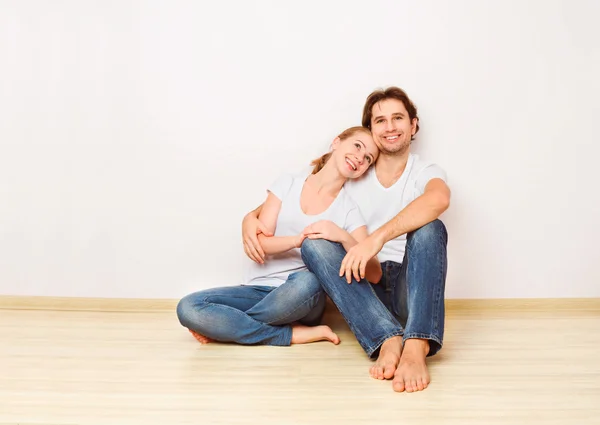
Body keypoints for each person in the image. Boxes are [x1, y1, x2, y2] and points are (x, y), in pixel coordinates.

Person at [242, 87, 450, 392]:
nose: (390, 127)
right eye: (380, 120)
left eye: (398, 118)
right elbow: (293, 193)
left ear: (413, 125)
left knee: (432, 227)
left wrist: (375, 240)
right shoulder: (354, 167)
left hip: (410, 282)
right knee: (314, 243)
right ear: (371, 129)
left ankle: (416, 346)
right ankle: (388, 339)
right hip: (361, 286)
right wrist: (249, 217)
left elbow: (439, 198)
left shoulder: (424, 171)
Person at [177, 126, 380, 347]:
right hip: (258, 291)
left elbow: (375, 273)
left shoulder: (348, 210)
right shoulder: (288, 184)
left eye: (368, 158)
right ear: (337, 142)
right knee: (188, 307)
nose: (360, 158)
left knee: (309, 280)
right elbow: (260, 243)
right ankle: (288, 334)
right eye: (357, 146)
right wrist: (297, 240)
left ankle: (226, 327)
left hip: (304, 297)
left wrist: (342, 236)